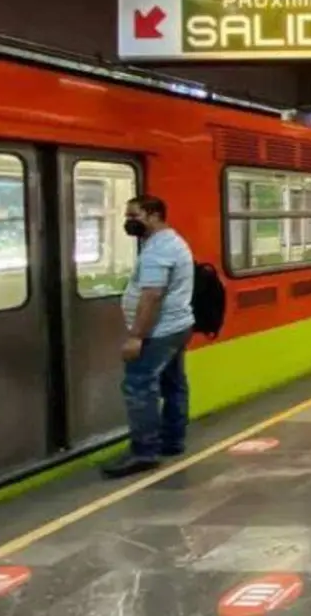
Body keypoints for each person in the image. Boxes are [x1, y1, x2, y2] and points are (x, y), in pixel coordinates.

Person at [101, 195, 195, 479]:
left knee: (139, 386)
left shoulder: (158, 250)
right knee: (173, 383)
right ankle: (173, 440)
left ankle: (145, 452)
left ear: (154, 215)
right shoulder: (170, 242)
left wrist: (136, 337)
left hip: (159, 331)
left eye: (134, 216)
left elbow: (152, 295)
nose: (128, 222)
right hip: (177, 325)